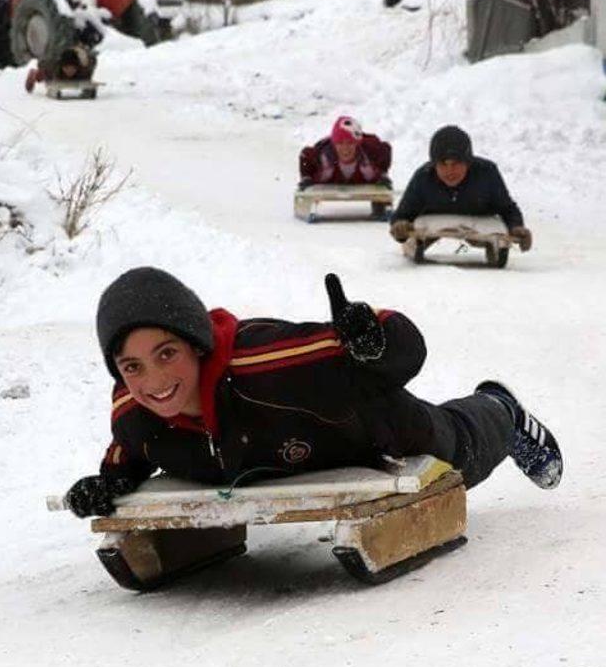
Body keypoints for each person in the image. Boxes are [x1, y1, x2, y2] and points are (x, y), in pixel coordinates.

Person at [65, 266, 562, 518]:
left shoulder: (266, 362)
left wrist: (372, 339)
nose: (152, 381)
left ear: (196, 345)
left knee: (460, 453)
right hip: (294, 454)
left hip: (372, 427)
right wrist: (108, 483)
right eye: (132, 366)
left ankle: (502, 408)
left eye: (166, 354)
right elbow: (129, 452)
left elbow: (401, 350)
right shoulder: (133, 410)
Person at [389, 125, 532, 250]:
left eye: (456, 164)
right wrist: (400, 228)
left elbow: (507, 208)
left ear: (468, 163)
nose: (450, 171)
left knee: (498, 233)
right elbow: (402, 214)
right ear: (434, 164)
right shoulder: (424, 177)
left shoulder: (487, 173)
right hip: (432, 223)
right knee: (416, 230)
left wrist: (516, 228)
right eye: (443, 164)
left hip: (479, 222)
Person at [299, 115, 392, 218]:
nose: (345, 149)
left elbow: (386, 149)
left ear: (357, 144)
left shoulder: (368, 154)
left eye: (350, 143)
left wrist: (382, 174)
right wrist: (306, 178)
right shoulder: (324, 157)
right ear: (334, 144)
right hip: (333, 178)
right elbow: (305, 156)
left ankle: (379, 203)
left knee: (376, 173)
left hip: (361, 178)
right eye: (340, 143)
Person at [25, 44, 96, 93]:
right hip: (52, 69)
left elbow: (93, 59)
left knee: (84, 79)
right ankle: (34, 73)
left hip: (77, 57)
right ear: (62, 66)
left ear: (77, 67)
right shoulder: (52, 67)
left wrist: (83, 53)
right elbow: (41, 63)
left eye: (72, 68)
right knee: (43, 74)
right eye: (66, 68)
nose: (69, 71)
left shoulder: (84, 70)